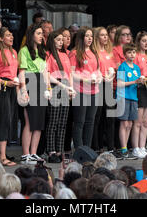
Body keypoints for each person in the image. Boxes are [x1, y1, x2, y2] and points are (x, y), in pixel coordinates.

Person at [18, 23, 49, 165]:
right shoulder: (24, 51)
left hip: (41, 83)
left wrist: (48, 88)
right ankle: (25, 154)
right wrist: (23, 90)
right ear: (31, 35)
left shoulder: (42, 52)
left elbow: (45, 72)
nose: (41, 36)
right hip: (30, 82)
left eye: (42, 33)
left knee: (39, 122)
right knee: (29, 121)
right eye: (38, 33)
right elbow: (22, 71)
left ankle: (34, 152)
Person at [70, 27, 102, 150]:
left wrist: (99, 78)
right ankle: (79, 149)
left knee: (90, 121)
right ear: (81, 37)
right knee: (79, 122)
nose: (90, 38)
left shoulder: (94, 53)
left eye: (91, 36)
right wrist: (85, 80)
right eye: (87, 36)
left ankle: (87, 149)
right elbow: (71, 73)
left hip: (94, 91)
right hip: (80, 91)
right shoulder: (75, 53)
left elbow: (98, 70)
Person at [45, 30, 75, 163]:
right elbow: (47, 73)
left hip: (65, 86)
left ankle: (59, 150)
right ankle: (51, 151)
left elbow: (69, 74)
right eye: (58, 40)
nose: (60, 42)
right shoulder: (48, 55)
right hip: (55, 85)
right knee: (53, 121)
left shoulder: (65, 55)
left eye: (62, 40)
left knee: (63, 122)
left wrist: (71, 88)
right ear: (52, 41)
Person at [0, 27, 19, 167]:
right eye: (8, 35)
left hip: (12, 87)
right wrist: (5, 82)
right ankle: (2, 156)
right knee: (3, 120)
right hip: (2, 87)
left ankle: (4, 152)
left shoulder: (14, 52)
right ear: (1, 38)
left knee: (10, 120)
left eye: (11, 35)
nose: (11, 37)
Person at [91, 27, 118, 155]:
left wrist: (111, 76)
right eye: (102, 35)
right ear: (97, 37)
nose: (105, 37)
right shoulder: (94, 52)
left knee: (111, 117)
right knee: (98, 117)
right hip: (98, 85)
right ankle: (97, 146)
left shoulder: (110, 52)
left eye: (106, 35)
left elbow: (113, 69)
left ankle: (111, 147)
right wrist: (102, 77)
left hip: (109, 85)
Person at [117, 43, 141, 160]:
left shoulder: (136, 68)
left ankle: (125, 147)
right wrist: (134, 82)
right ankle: (123, 148)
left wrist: (142, 82)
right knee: (124, 123)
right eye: (129, 52)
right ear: (125, 54)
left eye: (134, 52)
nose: (132, 54)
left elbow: (137, 81)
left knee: (130, 123)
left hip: (134, 97)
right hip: (123, 97)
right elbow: (120, 83)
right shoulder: (122, 66)